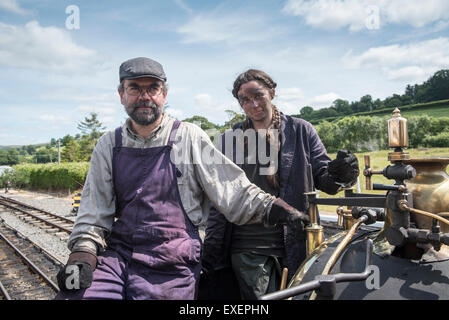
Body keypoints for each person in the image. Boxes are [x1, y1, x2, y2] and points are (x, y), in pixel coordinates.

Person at [55, 58, 310, 300]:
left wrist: (278, 210)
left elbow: (232, 189)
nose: (144, 96)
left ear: (164, 95)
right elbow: (93, 211)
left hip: (172, 258)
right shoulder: (109, 144)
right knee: (77, 294)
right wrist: (82, 255)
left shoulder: (188, 137)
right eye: (134, 88)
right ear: (121, 95)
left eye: (153, 88)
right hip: (118, 255)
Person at [199, 69, 359, 300]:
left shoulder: (301, 130)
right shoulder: (229, 140)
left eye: (258, 95)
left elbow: (326, 180)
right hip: (248, 249)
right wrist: (212, 250)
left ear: (272, 93)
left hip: (296, 242)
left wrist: (342, 173)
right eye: (245, 99)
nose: (253, 104)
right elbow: (219, 195)